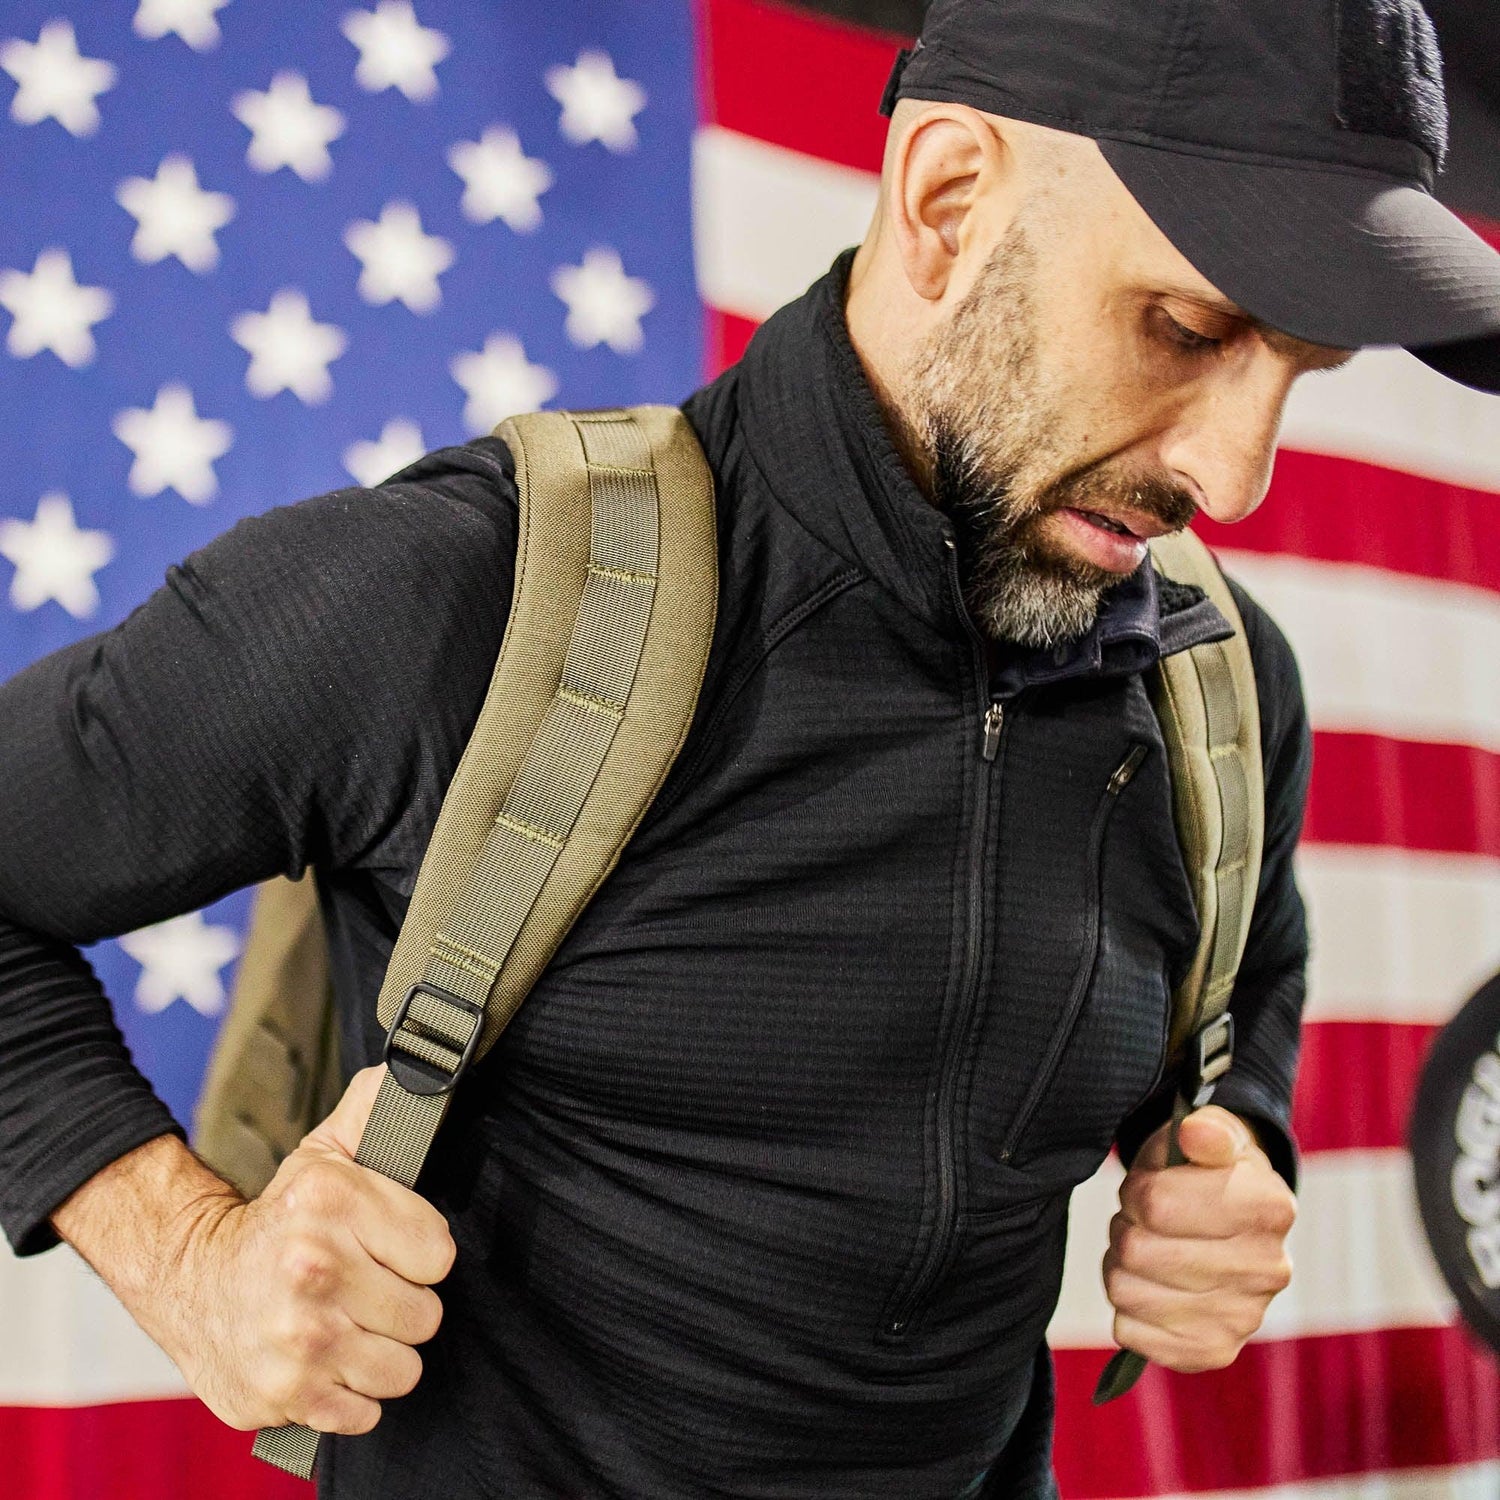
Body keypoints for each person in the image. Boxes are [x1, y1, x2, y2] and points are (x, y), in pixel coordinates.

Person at [3, 0, 1499, 1495]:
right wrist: (187, 1261)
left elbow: (1254, 972)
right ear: (949, 200)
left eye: (1301, 369)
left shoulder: (1221, 687)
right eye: (1185, 329)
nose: (1235, 476)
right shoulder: (457, 595)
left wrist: (1235, 1143)